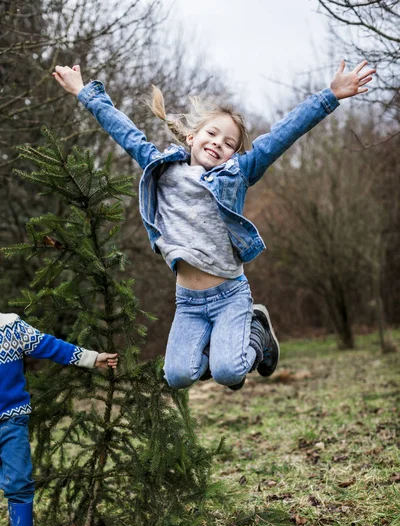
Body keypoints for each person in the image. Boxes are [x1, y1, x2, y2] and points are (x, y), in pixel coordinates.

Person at [52, 59, 374, 391]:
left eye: (230, 142)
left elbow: (281, 135)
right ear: (192, 137)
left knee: (229, 374)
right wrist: (83, 91)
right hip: (188, 302)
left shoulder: (236, 174)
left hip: (230, 295)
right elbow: (124, 131)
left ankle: (258, 332)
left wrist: (330, 96)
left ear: (235, 154)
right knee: (176, 375)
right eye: (212, 133)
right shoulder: (161, 169)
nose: (219, 142)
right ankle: (218, 346)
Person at [0, 312, 118, 526]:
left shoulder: (9, 327)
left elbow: (50, 345)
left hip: (11, 422)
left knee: (19, 481)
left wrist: (92, 358)